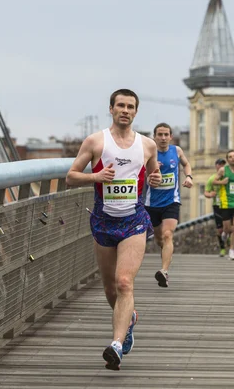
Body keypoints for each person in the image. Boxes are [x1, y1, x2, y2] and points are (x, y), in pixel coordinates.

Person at [66, 89, 161, 371]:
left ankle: (116, 345)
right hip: (103, 222)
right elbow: (71, 177)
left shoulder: (147, 145)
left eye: (130, 107)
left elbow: (153, 175)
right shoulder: (96, 141)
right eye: (120, 105)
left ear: (135, 112)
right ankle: (128, 319)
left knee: (123, 282)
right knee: (109, 287)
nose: (125, 110)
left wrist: (154, 179)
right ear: (111, 109)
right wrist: (96, 176)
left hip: (133, 222)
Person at [144, 122, 193, 288]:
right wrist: (149, 170)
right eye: (160, 135)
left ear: (171, 136)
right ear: (154, 137)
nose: (163, 138)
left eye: (166, 135)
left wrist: (189, 177)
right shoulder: (149, 153)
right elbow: (138, 174)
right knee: (159, 239)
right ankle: (165, 253)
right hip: (152, 203)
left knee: (167, 235)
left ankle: (164, 272)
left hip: (172, 201)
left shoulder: (176, 151)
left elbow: (186, 164)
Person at [213, 149, 234, 261]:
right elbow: (214, 181)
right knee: (227, 228)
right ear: (227, 159)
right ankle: (225, 232)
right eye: (230, 157)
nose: (233, 158)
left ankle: (232, 250)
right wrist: (222, 182)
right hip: (226, 202)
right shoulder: (223, 170)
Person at [204, 158, 228, 256]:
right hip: (217, 205)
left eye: (223, 165)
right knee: (220, 229)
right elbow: (206, 192)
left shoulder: (227, 177)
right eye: (219, 164)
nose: (221, 166)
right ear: (216, 166)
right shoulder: (212, 179)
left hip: (227, 205)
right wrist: (210, 195)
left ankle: (230, 241)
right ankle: (222, 248)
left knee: (229, 227)